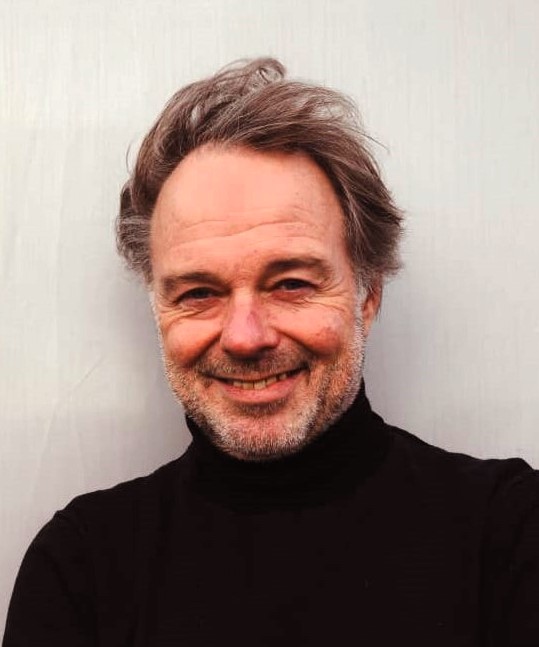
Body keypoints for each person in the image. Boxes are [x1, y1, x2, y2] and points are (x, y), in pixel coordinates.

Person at [3, 58, 539, 646]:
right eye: (198, 293)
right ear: (158, 310)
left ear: (367, 296)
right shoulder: (81, 567)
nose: (245, 337)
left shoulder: (509, 533)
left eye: (291, 283)